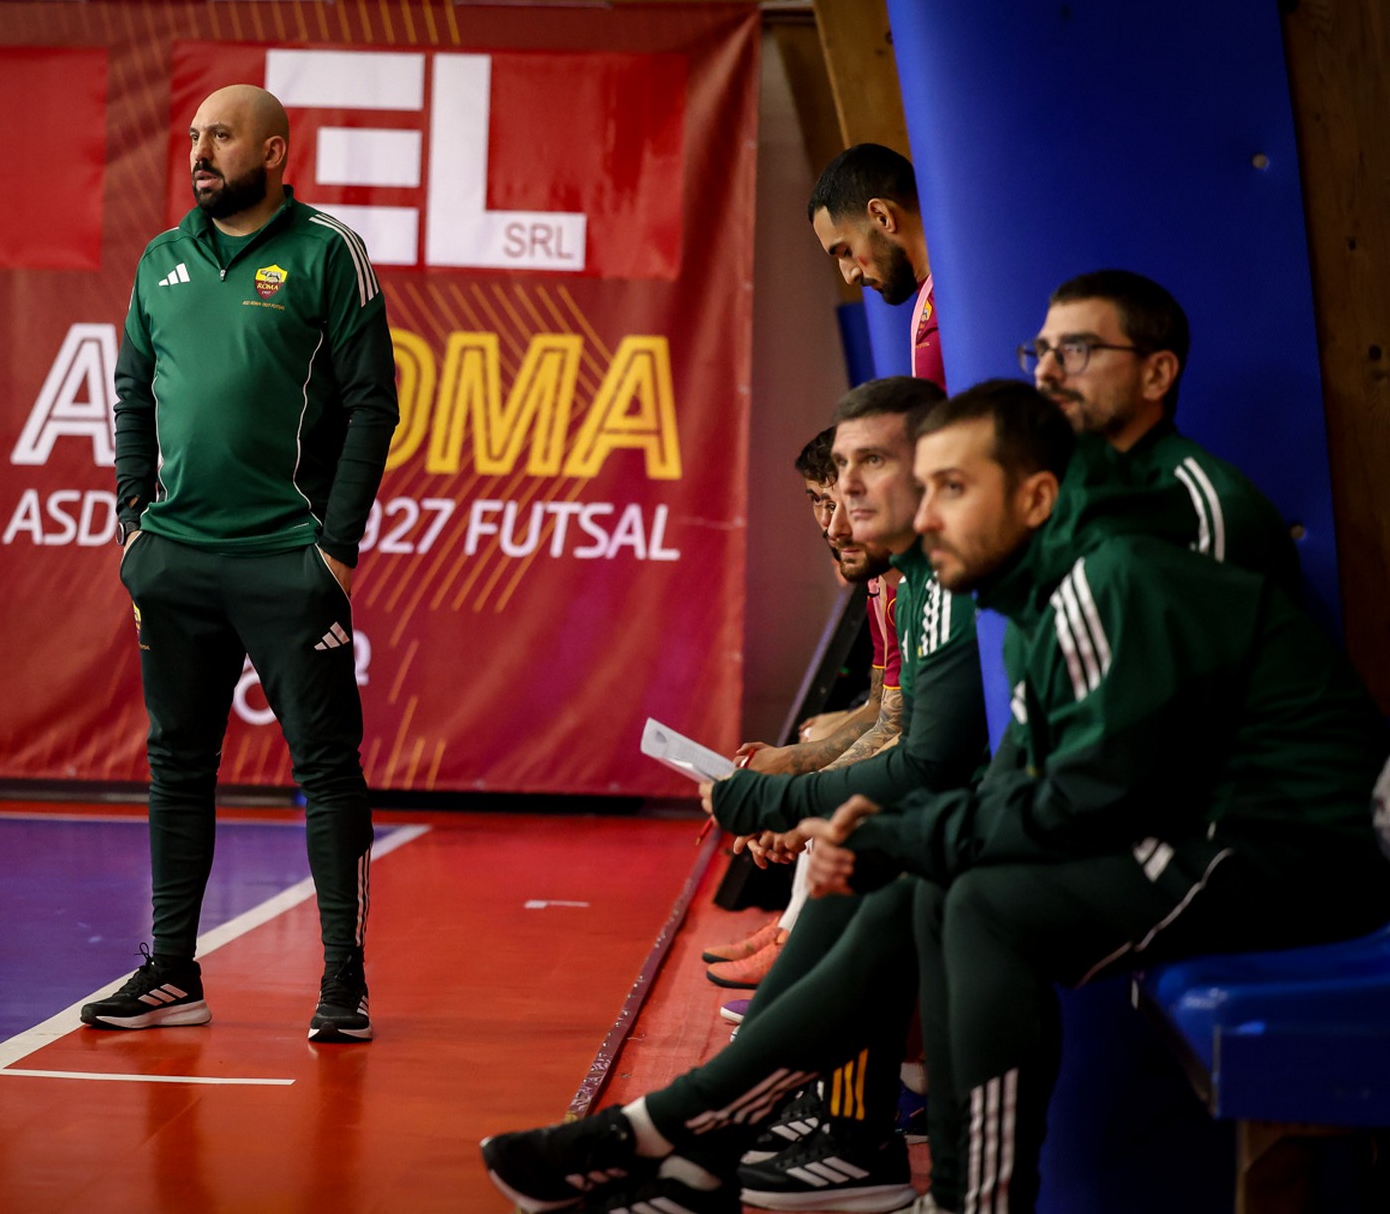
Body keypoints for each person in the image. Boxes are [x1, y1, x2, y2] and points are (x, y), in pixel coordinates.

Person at [477, 383, 1389, 1214]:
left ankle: (731, 1145)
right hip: (1208, 833)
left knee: (973, 901)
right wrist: (896, 834)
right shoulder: (1035, 597)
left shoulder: (1105, 578)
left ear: (1034, 499)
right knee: (926, 880)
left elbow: (1075, 804)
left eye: (951, 488)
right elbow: (1034, 788)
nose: (923, 512)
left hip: (1305, 852)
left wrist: (895, 829)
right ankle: (702, 1140)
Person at [484, 377, 987, 1214]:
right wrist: (795, 788)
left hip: (1058, 840)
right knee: (861, 854)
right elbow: (912, 738)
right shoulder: (919, 578)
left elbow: (929, 759)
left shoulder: (953, 577)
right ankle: (730, 1144)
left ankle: (679, 1134)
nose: (846, 497)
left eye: (872, 463)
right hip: (995, 817)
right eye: (841, 469)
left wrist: (781, 796)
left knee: (877, 858)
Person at [91, 84, 399, 1043]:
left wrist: (335, 550)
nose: (199, 152)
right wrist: (134, 528)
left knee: (327, 768)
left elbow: (372, 405)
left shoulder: (327, 252)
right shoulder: (161, 259)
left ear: (272, 151)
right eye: (194, 136)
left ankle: (343, 984)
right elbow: (132, 395)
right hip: (175, 562)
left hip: (286, 561)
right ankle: (171, 975)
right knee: (176, 766)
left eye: (221, 136)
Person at [704, 428, 904, 988]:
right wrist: (793, 769)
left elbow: (913, 737)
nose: (831, 525)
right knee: (816, 752)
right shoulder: (885, 587)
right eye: (819, 502)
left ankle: (800, 953)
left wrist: (797, 786)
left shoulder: (917, 588)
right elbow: (886, 707)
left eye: (846, 503)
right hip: (922, 762)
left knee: (834, 799)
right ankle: (794, 935)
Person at [1021, 268, 1298, 583]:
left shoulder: (1207, 511)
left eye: (1076, 349)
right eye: (1042, 351)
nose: (1044, 371)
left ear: (1156, 375)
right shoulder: (1045, 496)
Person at [809, 144, 943, 388]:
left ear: (882, 216)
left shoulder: (959, 294)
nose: (849, 276)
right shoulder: (928, 299)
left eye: (846, 251)